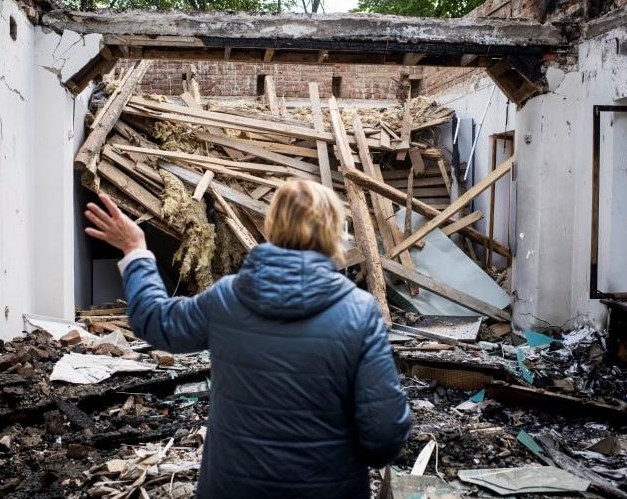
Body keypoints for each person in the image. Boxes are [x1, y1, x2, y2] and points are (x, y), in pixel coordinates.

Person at [84, 180, 411, 499]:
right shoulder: (360, 312)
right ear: (333, 232)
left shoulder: (228, 298)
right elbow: (384, 434)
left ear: (272, 228)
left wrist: (135, 251)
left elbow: (155, 321)